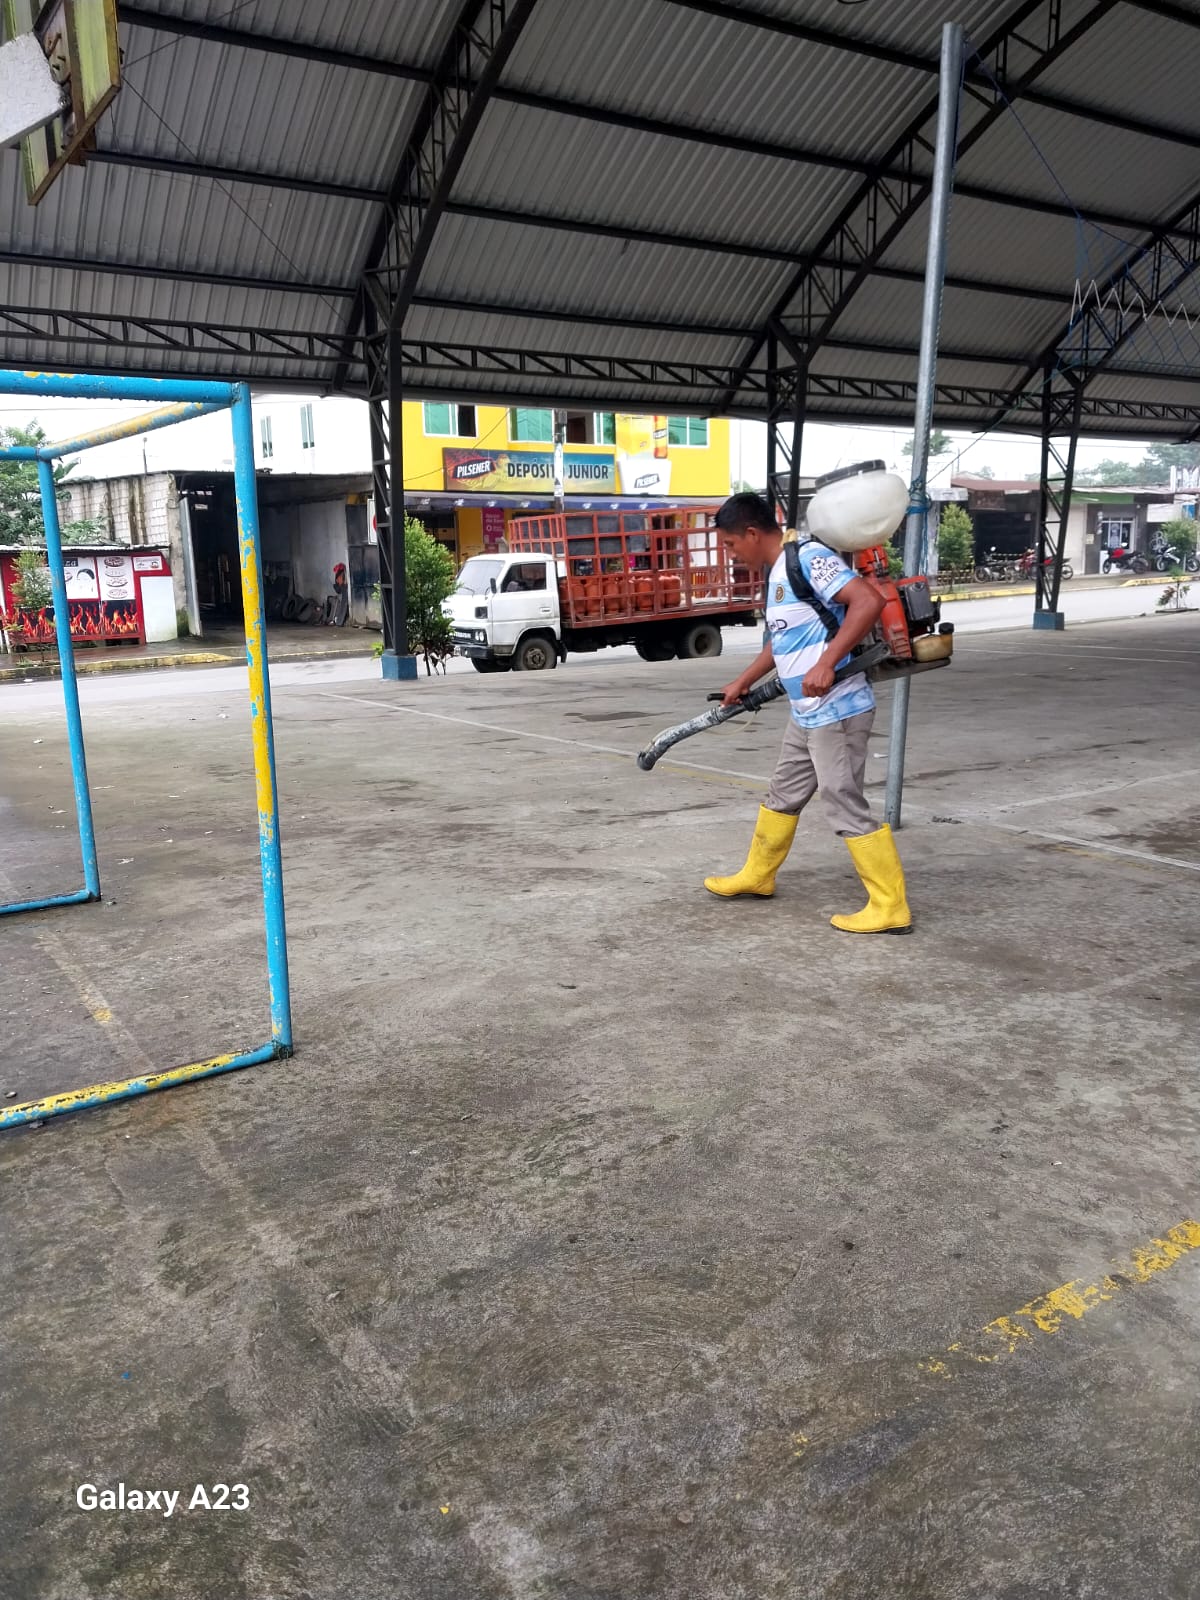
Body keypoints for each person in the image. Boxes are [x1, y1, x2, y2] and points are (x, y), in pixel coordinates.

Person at [703, 492, 912, 934]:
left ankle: (889, 904)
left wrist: (827, 663)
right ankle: (758, 875)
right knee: (783, 793)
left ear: (752, 534)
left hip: (837, 709)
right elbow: (783, 643)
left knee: (842, 799)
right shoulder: (778, 573)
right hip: (807, 713)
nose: (731, 554)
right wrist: (744, 680)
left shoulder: (808, 558)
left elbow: (868, 601)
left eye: (730, 544)